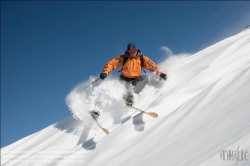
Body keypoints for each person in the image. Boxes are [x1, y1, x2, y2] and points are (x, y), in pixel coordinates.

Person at [99, 42, 167, 106]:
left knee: (145, 78)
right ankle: (125, 98)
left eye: (134, 50)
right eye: (130, 51)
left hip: (136, 79)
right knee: (126, 85)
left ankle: (132, 95)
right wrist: (105, 72)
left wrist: (160, 73)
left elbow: (153, 66)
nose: (132, 53)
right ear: (127, 51)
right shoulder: (123, 58)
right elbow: (111, 64)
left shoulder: (142, 58)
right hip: (124, 79)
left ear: (137, 50)